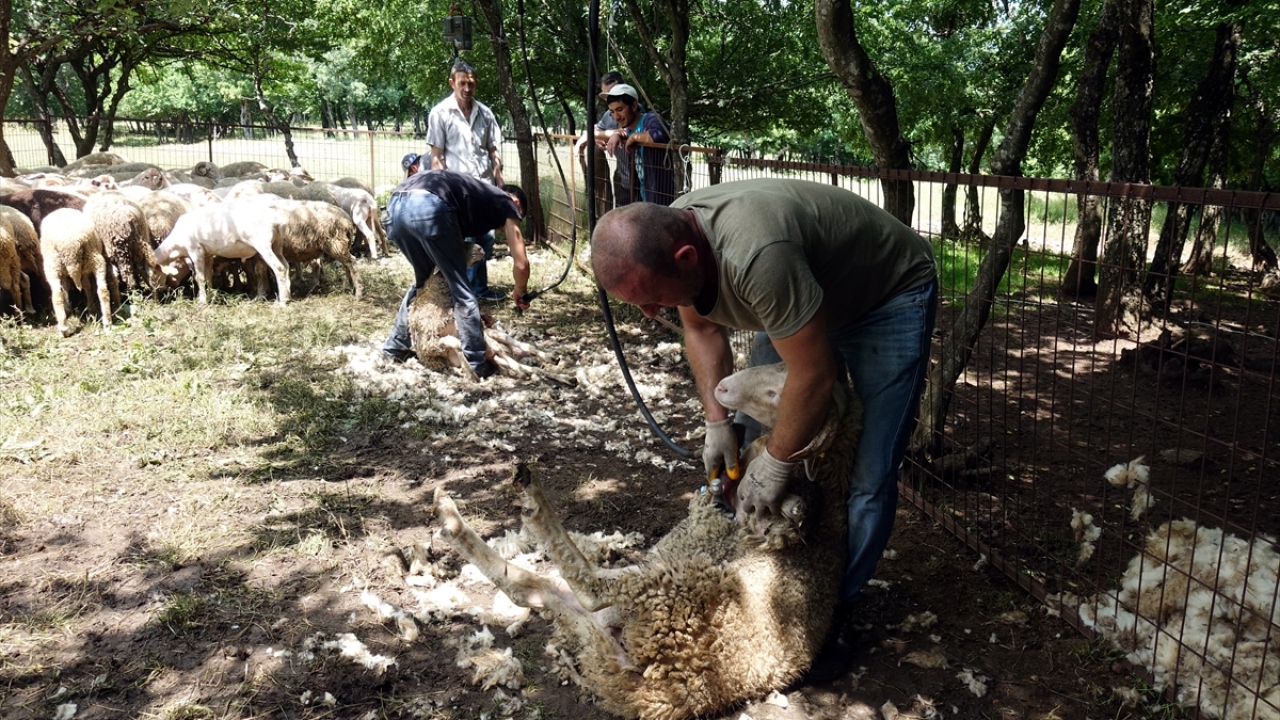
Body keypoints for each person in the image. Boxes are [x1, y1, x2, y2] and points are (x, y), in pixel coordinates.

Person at [590, 178, 938, 682]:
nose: (649, 314)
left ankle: (831, 608)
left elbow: (812, 375)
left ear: (688, 258)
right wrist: (717, 423)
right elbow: (702, 329)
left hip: (884, 295)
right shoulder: (669, 234)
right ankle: (762, 574)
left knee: (866, 471)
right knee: (756, 442)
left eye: (652, 299)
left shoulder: (756, 257)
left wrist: (779, 461)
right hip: (801, 300)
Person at [381, 169, 530, 378]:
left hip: (397, 206)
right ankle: (476, 362)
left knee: (424, 284)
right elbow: (521, 264)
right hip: (428, 206)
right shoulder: (505, 202)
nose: (514, 222)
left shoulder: (478, 200)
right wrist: (520, 290)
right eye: (519, 216)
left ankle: (394, 348)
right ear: (515, 203)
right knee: (461, 289)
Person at [426, 59, 507, 302]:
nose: (467, 89)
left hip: (483, 188)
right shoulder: (440, 113)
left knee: (485, 239)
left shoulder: (485, 113)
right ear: (452, 83)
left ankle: (479, 289)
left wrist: (500, 186)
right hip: (456, 190)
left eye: (471, 83)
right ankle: (459, 291)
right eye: (462, 83)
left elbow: (494, 151)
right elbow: (437, 156)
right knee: (461, 241)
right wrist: (441, 191)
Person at [601, 84, 675, 206]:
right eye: (612, 112)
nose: (616, 117)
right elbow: (626, 132)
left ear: (634, 106)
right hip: (645, 197)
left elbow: (658, 135)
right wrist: (617, 134)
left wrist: (634, 137)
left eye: (620, 110)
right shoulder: (629, 128)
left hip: (663, 200)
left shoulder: (651, 119)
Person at [573, 71, 627, 213]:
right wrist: (596, 137)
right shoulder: (609, 114)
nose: (609, 99)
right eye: (606, 96)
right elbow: (598, 128)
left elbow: (629, 131)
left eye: (613, 93)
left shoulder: (633, 109)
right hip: (624, 176)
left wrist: (610, 134)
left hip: (644, 179)